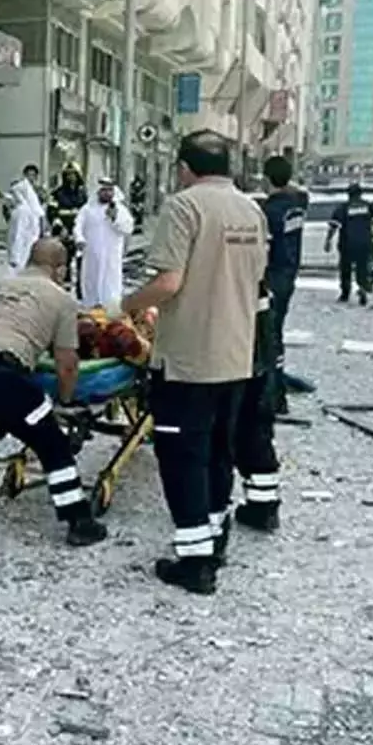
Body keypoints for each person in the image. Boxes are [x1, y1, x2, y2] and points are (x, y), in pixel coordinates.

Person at [120, 130, 267, 595]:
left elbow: (168, 283)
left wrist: (127, 304)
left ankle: (195, 563)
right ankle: (214, 537)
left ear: (184, 167)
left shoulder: (184, 206)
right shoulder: (251, 210)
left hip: (189, 359)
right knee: (219, 451)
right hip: (236, 355)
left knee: (183, 457)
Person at [0, 238, 108, 547]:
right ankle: (79, 521)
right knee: (51, 443)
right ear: (60, 269)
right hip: (1, 373)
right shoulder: (61, 299)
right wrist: (65, 401)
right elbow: (67, 363)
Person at [259, 156, 308, 412]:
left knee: (267, 337)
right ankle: (277, 393)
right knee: (275, 334)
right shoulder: (296, 206)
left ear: (266, 178)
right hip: (288, 274)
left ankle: (272, 397)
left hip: (271, 277)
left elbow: (263, 249)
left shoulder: (270, 212)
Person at [233, 277, 282, 532]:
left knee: (234, 420)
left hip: (237, 327)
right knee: (257, 422)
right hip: (259, 326)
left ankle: (209, 507)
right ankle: (264, 504)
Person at [74, 178, 136, 309]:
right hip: (91, 254)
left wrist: (115, 218)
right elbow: (78, 226)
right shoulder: (87, 209)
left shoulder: (120, 210)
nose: (107, 193)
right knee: (91, 279)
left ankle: (110, 306)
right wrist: (79, 239)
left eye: (110, 190)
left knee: (110, 282)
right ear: (98, 192)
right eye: (104, 190)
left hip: (111, 255)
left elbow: (128, 228)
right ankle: (90, 305)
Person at [324, 183, 373, 305]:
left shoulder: (343, 208)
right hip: (365, 242)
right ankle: (362, 287)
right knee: (362, 268)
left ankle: (345, 293)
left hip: (347, 243)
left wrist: (328, 241)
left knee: (345, 269)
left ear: (348, 194)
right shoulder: (369, 207)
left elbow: (333, 225)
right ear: (360, 193)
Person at [49, 163, 88, 289]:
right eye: (68, 174)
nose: (71, 177)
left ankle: (81, 289)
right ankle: (64, 287)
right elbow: (52, 213)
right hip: (63, 231)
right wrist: (60, 228)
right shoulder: (57, 193)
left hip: (79, 231)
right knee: (63, 260)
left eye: (73, 174)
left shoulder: (82, 194)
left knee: (82, 261)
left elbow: (87, 213)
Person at [6, 166, 46, 273]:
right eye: (28, 175)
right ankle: (16, 261)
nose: (30, 178)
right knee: (18, 240)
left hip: (33, 222)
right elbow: (10, 204)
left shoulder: (39, 191)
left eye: (33, 175)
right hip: (22, 220)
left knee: (30, 245)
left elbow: (41, 209)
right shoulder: (19, 188)